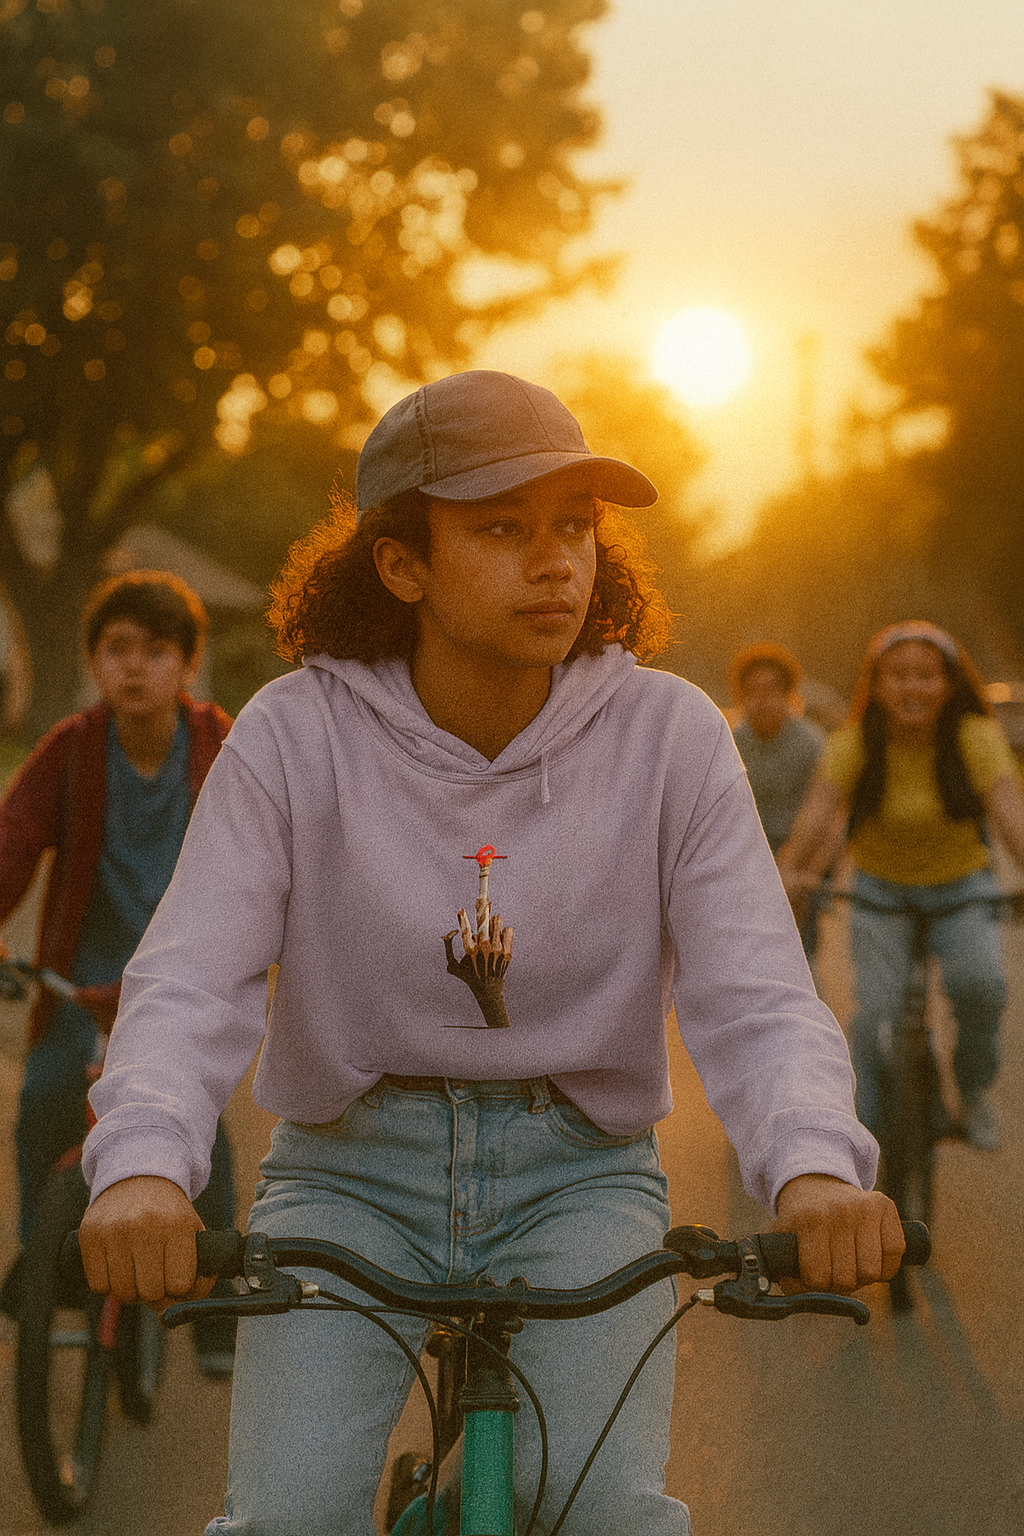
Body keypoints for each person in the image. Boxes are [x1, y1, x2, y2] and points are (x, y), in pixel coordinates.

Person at [78, 371, 902, 1536]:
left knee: (604, 1515)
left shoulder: (668, 736)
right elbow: (191, 972)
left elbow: (755, 991)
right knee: (286, 1521)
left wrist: (815, 1165)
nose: (556, 560)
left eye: (574, 527)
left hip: (580, 1176)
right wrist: (147, 1168)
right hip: (347, 1177)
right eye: (502, 529)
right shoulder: (293, 733)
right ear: (401, 564)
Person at [0, 571, 237, 1374]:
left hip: (191, 976)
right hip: (87, 980)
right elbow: (12, 842)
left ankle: (211, 1301)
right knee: (44, 1097)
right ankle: (48, 1269)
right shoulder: (69, 749)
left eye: (157, 651)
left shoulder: (221, 746)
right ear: (95, 661)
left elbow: (276, 852)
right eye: (117, 650)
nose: (136, 668)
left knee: (200, 1126)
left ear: (188, 664)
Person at [778, 620, 1024, 1153]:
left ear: (950, 684)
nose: (912, 688)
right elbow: (816, 818)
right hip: (879, 890)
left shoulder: (974, 738)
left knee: (981, 987)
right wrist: (788, 874)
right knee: (875, 1016)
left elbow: (1010, 815)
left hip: (962, 888)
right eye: (898, 676)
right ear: (878, 685)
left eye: (926, 676)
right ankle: (863, 1130)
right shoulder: (854, 742)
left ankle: (974, 1093)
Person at [729, 643, 828, 956]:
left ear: (789, 695)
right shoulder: (731, 742)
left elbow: (825, 818)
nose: (762, 701)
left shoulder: (811, 743)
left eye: (772, 691)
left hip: (799, 857)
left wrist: (805, 871)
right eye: (753, 692)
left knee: (798, 948)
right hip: (746, 856)